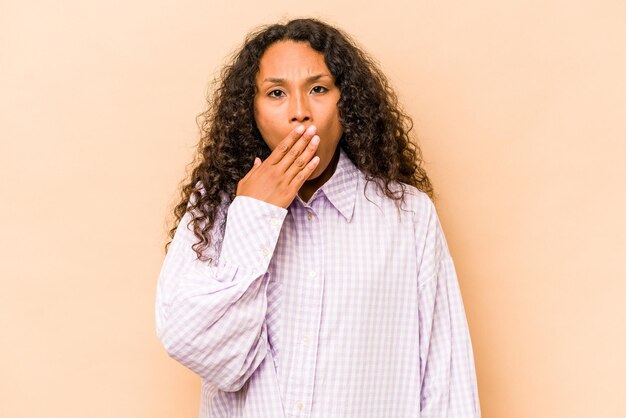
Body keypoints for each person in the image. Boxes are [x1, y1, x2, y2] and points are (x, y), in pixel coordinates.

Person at [156, 18, 481, 418]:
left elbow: (446, 378)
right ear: (251, 111)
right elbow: (199, 346)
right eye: (276, 93)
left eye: (318, 89)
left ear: (347, 105)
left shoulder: (408, 215)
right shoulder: (218, 207)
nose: (299, 112)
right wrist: (255, 215)